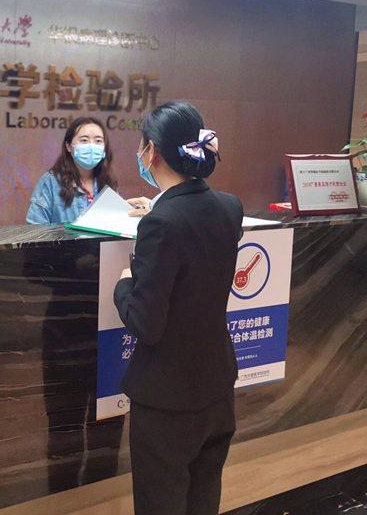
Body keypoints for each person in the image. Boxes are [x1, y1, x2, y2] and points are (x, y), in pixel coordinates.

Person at [113, 102, 244, 515]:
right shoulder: (230, 206)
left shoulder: (161, 223)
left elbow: (145, 323)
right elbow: (195, 237)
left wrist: (124, 283)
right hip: (217, 385)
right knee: (203, 498)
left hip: (167, 398)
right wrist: (159, 208)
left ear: (151, 151)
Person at [26, 117, 118, 224]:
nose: (91, 146)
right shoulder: (51, 182)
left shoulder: (108, 180)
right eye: (84, 140)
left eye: (98, 141)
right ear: (69, 146)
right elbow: (34, 228)